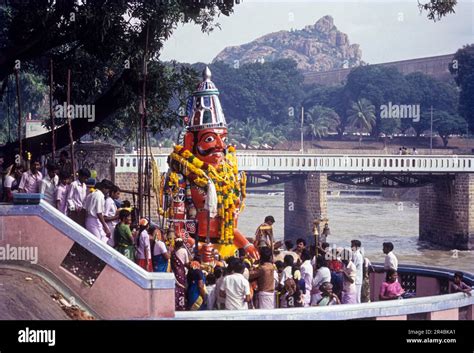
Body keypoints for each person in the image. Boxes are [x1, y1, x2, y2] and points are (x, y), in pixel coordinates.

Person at [171, 238, 189, 311]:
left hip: (175, 272)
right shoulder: (184, 251)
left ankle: (176, 304)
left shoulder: (173, 252)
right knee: (181, 288)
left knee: (176, 288)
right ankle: (181, 305)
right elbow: (187, 263)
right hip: (181, 272)